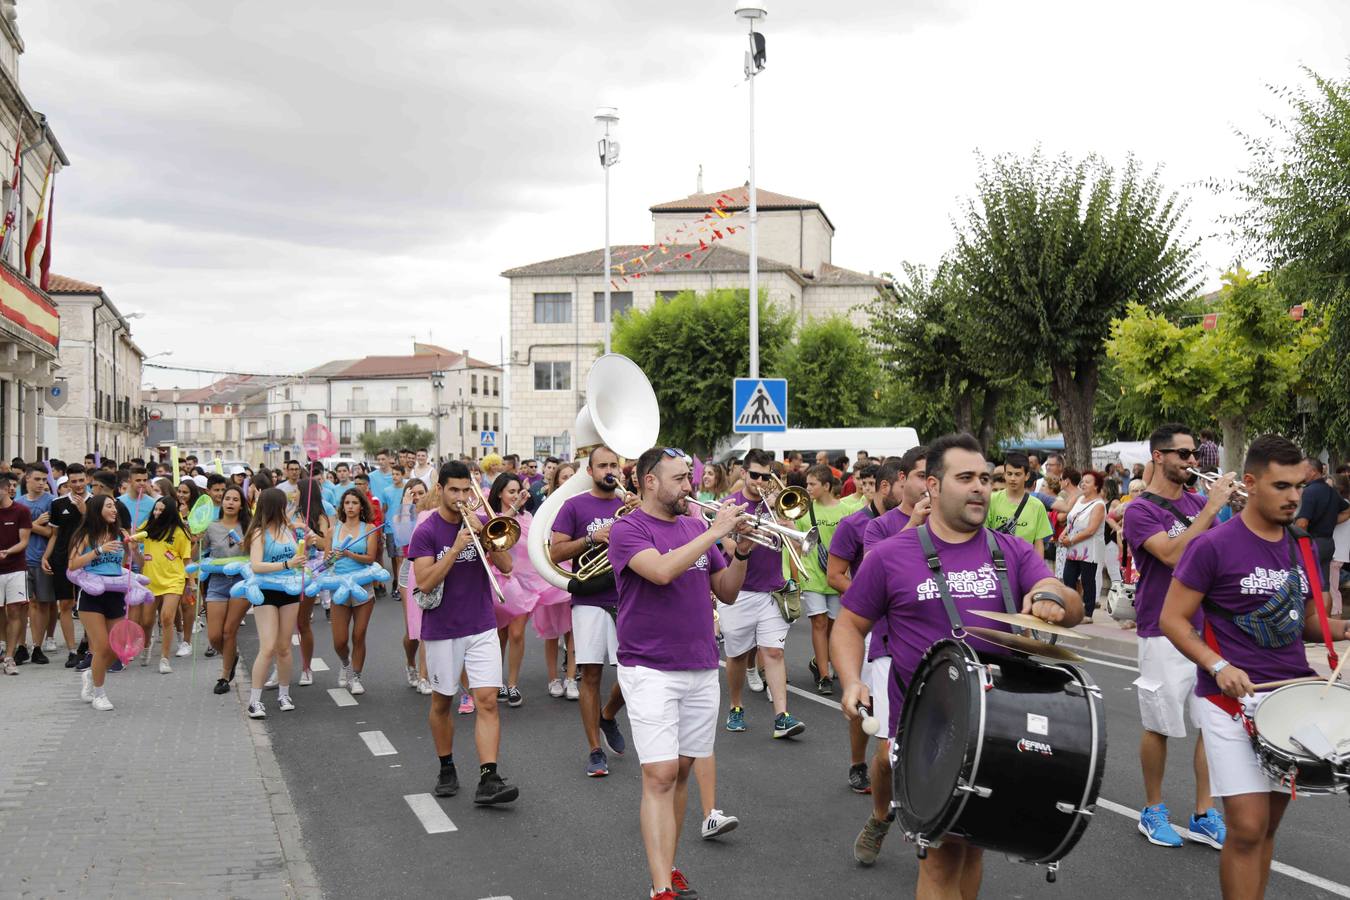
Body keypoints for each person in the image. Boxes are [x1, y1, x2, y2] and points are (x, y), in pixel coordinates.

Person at [833, 433, 1081, 886]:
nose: (980, 487)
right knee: (944, 857)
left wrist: (1050, 596)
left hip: (996, 726)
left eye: (986, 478)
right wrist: (852, 680)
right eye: (965, 477)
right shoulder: (890, 556)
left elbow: (1066, 599)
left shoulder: (1012, 551)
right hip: (926, 728)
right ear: (932, 485)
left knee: (971, 848)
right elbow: (849, 625)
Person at [1160, 434, 1350, 900]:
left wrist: (1340, 629)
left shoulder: (1302, 547)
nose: (1293, 497)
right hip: (1230, 701)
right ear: (1249, 482)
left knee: (1266, 827)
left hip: (1288, 702)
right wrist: (1216, 663)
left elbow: (1305, 624)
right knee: (1245, 827)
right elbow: (1172, 619)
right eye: (1281, 486)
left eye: (1299, 487)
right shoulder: (1214, 546)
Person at [608, 446, 753, 900]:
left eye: (689, 477)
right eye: (678, 478)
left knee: (684, 769)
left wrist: (743, 552)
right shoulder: (628, 529)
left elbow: (726, 593)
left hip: (700, 664)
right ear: (649, 481)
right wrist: (717, 533)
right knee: (660, 774)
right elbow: (662, 571)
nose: (689, 486)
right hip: (649, 667)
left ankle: (668, 867)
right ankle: (660, 888)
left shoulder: (694, 526)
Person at [1123, 423, 1232, 849]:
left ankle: (1204, 813)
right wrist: (1209, 511)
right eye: (1183, 455)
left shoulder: (1199, 501)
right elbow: (1170, 554)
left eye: (1194, 455)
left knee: (1213, 724)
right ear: (1158, 456)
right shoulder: (1140, 510)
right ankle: (1153, 810)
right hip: (1160, 626)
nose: (1192, 462)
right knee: (1160, 724)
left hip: (1206, 626)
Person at [409, 461, 520, 806]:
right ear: (439, 490)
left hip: (482, 623)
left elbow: (507, 567)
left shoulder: (480, 523)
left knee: (487, 700)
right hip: (442, 629)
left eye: (465, 490)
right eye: (453, 490)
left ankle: (489, 777)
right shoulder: (426, 532)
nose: (460, 497)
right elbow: (425, 581)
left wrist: (484, 538)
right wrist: (457, 548)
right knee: (442, 700)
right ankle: (446, 765)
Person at [549, 446, 629, 776]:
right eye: (602, 466)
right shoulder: (574, 506)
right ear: (591, 471)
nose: (609, 470)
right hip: (590, 599)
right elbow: (555, 552)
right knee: (592, 674)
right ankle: (595, 749)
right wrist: (593, 537)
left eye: (614, 465)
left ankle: (607, 714)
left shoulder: (631, 504)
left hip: (628, 596)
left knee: (632, 674)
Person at [826, 459, 899, 799]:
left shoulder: (925, 523)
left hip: (902, 625)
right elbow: (835, 575)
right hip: (866, 625)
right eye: (903, 485)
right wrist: (867, 600)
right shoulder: (853, 524)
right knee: (863, 699)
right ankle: (858, 763)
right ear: (887, 488)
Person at [721, 448, 805, 740]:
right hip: (739, 593)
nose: (759, 480)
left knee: (773, 652)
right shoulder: (729, 505)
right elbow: (732, 549)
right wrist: (759, 519)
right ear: (744, 473)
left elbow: (797, 544)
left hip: (773, 590)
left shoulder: (778, 505)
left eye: (765, 476)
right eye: (754, 474)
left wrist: (785, 524)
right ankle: (735, 705)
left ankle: (782, 716)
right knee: (737, 655)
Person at [70, 495, 138, 709]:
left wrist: (134, 550)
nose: (114, 510)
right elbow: (72, 564)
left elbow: (139, 564)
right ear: (97, 510)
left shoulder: (121, 534)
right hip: (91, 595)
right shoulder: (85, 535)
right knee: (101, 647)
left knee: (116, 648)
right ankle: (99, 694)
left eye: (114, 506)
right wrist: (99, 550)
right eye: (109, 506)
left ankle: (91, 675)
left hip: (115, 594)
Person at [242, 488, 304, 718]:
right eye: (284, 503)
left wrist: (299, 562)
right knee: (267, 647)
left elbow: (296, 559)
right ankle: (254, 700)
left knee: (284, 647)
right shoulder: (259, 533)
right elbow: (256, 565)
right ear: (276, 506)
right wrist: (287, 564)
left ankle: (284, 693)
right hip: (266, 591)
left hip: (289, 590)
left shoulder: (289, 531)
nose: (287, 507)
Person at [488, 472, 547, 707]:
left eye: (517, 491)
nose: (515, 496)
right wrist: (513, 510)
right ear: (500, 493)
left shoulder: (528, 517)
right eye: (510, 491)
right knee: (499, 635)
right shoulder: (492, 517)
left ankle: (512, 684)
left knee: (517, 633)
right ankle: (496, 681)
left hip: (525, 584)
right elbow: (497, 534)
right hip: (500, 582)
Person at [797, 464, 850, 696]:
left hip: (836, 576)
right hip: (812, 576)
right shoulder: (804, 510)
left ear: (827, 486)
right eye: (807, 484)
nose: (807, 488)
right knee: (818, 622)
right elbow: (797, 546)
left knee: (833, 626)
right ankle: (824, 675)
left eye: (812, 484)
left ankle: (820, 661)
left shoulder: (845, 510)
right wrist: (796, 575)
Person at [327, 487, 381, 696]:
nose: (350, 507)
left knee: (359, 635)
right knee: (339, 641)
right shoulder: (334, 530)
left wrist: (349, 554)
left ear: (361, 506)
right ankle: (345, 663)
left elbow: (370, 557)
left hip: (362, 587)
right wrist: (332, 556)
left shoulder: (368, 528)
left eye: (354, 503)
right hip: (339, 587)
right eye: (347, 503)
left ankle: (356, 676)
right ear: (342, 506)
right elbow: (326, 561)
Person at [534, 461, 578, 698]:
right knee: (551, 632)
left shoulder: (582, 504)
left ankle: (571, 678)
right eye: (565, 477)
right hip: (552, 573)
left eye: (573, 476)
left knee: (574, 630)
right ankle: (553, 678)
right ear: (556, 481)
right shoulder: (547, 508)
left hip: (575, 571)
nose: (570, 480)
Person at [203, 484, 251, 694]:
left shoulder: (249, 526)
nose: (230, 502)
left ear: (241, 505)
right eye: (227, 499)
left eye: (235, 499)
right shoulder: (211, 526)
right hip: (217, 582)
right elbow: (199, 552)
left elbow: (256, 552)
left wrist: (246, 544)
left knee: (228, 631)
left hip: (241, 582)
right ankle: (231, 656)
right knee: (214, 637)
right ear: (221, 502)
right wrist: (194, 538)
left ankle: (224, 675)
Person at [42, 463, 88, 666]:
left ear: (87, 479)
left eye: (81, 480)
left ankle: (87, 646)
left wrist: (85, 511)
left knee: (88, 606)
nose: (78, 485)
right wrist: (46, 556)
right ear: (67, 482)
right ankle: (71, 650)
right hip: (62, 560)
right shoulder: (58, 503)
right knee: (66, 605)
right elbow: (54, 535)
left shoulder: (96, 502)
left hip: (88, 561)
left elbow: (101, 530)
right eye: (74, 481)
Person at [141, 495, 193, 672]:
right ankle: (146, 646)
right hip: (150, 580)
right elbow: (133, 540)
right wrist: (131, 547)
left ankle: (164, 659)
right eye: (155, 509)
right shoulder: (147, 528)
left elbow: (187, 560)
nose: (157, 512)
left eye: (161, 510)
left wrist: (191, 583)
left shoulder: (180, 532)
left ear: (170, 512)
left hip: (173, 580)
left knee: (166, 617)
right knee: (147, 621)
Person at [1293, 456, 1349, 614]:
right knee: (1323, 585)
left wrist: (1291, 539)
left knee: (1304, 581)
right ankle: (1324, 620)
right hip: (1328, 544)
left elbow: (1302, 523)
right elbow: (1347, 510)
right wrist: (1330, 522)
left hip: (1311, 543)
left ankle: (1310, 620)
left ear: (1312, 471)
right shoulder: (1330, 490)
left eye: (1302, 469)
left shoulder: (1309, 491)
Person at [395, 478, 434, 694]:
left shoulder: (435, 513)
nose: (418, 496)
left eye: (421, 493)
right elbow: (402, 538)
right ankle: (410, 663)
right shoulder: (403, 515)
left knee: (427, 627)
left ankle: (424, 677)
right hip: (408, 571)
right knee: (413, 630)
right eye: (413, 493)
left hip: (431, 568)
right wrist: (407, 507)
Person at [15, 465, 54, 665]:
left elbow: (50, 533)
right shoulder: (18, 503)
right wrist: (36, 523)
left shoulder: (50, 502)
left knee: (43, 603)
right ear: (27, 479)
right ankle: (21, 645)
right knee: (22, 606)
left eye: (44, 480)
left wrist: (30, 524)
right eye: (37, 479)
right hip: (20, 560)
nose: (41, 483)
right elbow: (14, 533)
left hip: (41, 558)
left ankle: (38, 646)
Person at [1061, 469, 1108, 619]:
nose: (1083, 484)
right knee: (1068, 577)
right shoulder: (1079, 500)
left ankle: (1088, 613)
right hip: (1073, 547)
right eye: (1083, 481)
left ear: (1096, 486)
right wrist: (1063, 534)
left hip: (1089, 549)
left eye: (1088, 482)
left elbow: (1091, 530)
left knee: (1087, 580)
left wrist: (1072, 539)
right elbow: (1071, 520)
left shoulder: (1099, 505)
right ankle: (1070, 608)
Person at [986, 451, 1053, 556]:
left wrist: (1038, 570)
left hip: (1025, 564)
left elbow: (1038, 544)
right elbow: (983, 535)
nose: (1013, 478)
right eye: (1009, 474)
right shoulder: (991, 500)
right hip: (996, 563)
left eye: (1017, 474)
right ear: (1004, 475)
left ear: (1026, 476)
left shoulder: (1037, 506)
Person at [863, 447, 928, 551]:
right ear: (902, 477)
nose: (929, 483)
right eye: (922, 476)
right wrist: (912, 524)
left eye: (934, 477)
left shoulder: (948, 519)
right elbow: (871, 564)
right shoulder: (879, 525)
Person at [0, 472, 32, 673]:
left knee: (14, 611)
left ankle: (10, 656)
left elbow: (24, 541)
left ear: (5, 489)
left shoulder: (21, 511)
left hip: (16, 568)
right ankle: (2, 647)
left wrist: (7, 552)